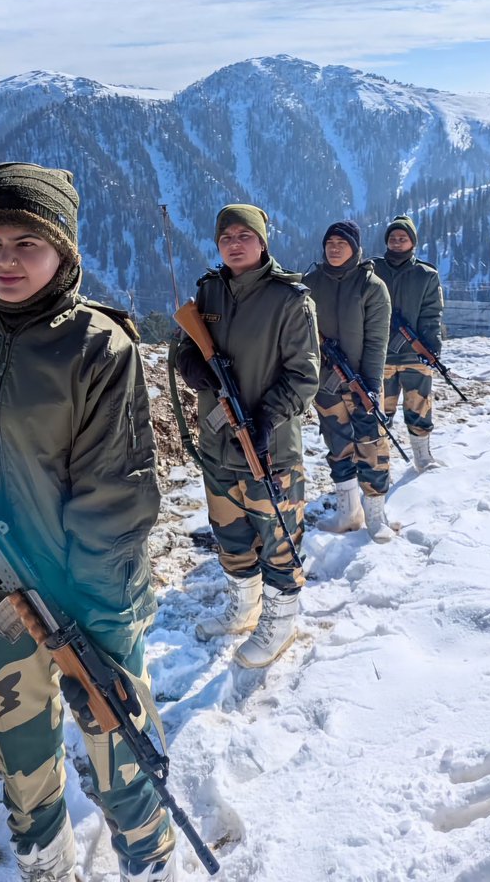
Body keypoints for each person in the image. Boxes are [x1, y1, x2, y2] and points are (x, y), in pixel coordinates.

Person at [0, 163, 176, 882]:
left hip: (91, 596)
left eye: (28, 243)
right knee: (19, 751)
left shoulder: (98, 347)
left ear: (64, 251)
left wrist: (78, 606)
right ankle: (45, 858)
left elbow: (118, 492)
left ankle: (149, 858)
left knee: (119, 743)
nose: (6, 260)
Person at [175, 203, 320, 668]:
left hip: (269, 448)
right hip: (218, 445)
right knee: (230, 534)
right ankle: (244, 607)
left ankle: (281, 621)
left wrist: (265, 419)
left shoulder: (290, 299)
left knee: (279, 537)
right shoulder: (209, 291)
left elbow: (304, 377)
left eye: (244, 236)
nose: (234, 245)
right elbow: (186, 343)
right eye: (226, 238)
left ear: (262, 241)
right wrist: (190, 364)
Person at [303, 220, 394, 543]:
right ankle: (348, 513)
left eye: (342, 243)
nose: (334, 248)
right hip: (325, 382)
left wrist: (369, 385)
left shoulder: (372, 286)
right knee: (338, 445)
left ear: (355, 248)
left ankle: (376, 516)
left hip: (362, 381)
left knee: (371, 446)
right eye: (330, 242)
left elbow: (377, 342)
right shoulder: (310, 283)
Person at [372, 214, 444, 472]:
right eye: (392, 237)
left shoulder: (426, 274)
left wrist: (431, 348)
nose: (397, 241)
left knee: (420, 407)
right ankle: (379, 464)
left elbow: (432, 313)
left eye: (403, 238)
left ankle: (422, 458)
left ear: (413, 242)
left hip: (415, 354)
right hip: (379, 356)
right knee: (380, 413)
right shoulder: (372, 270)